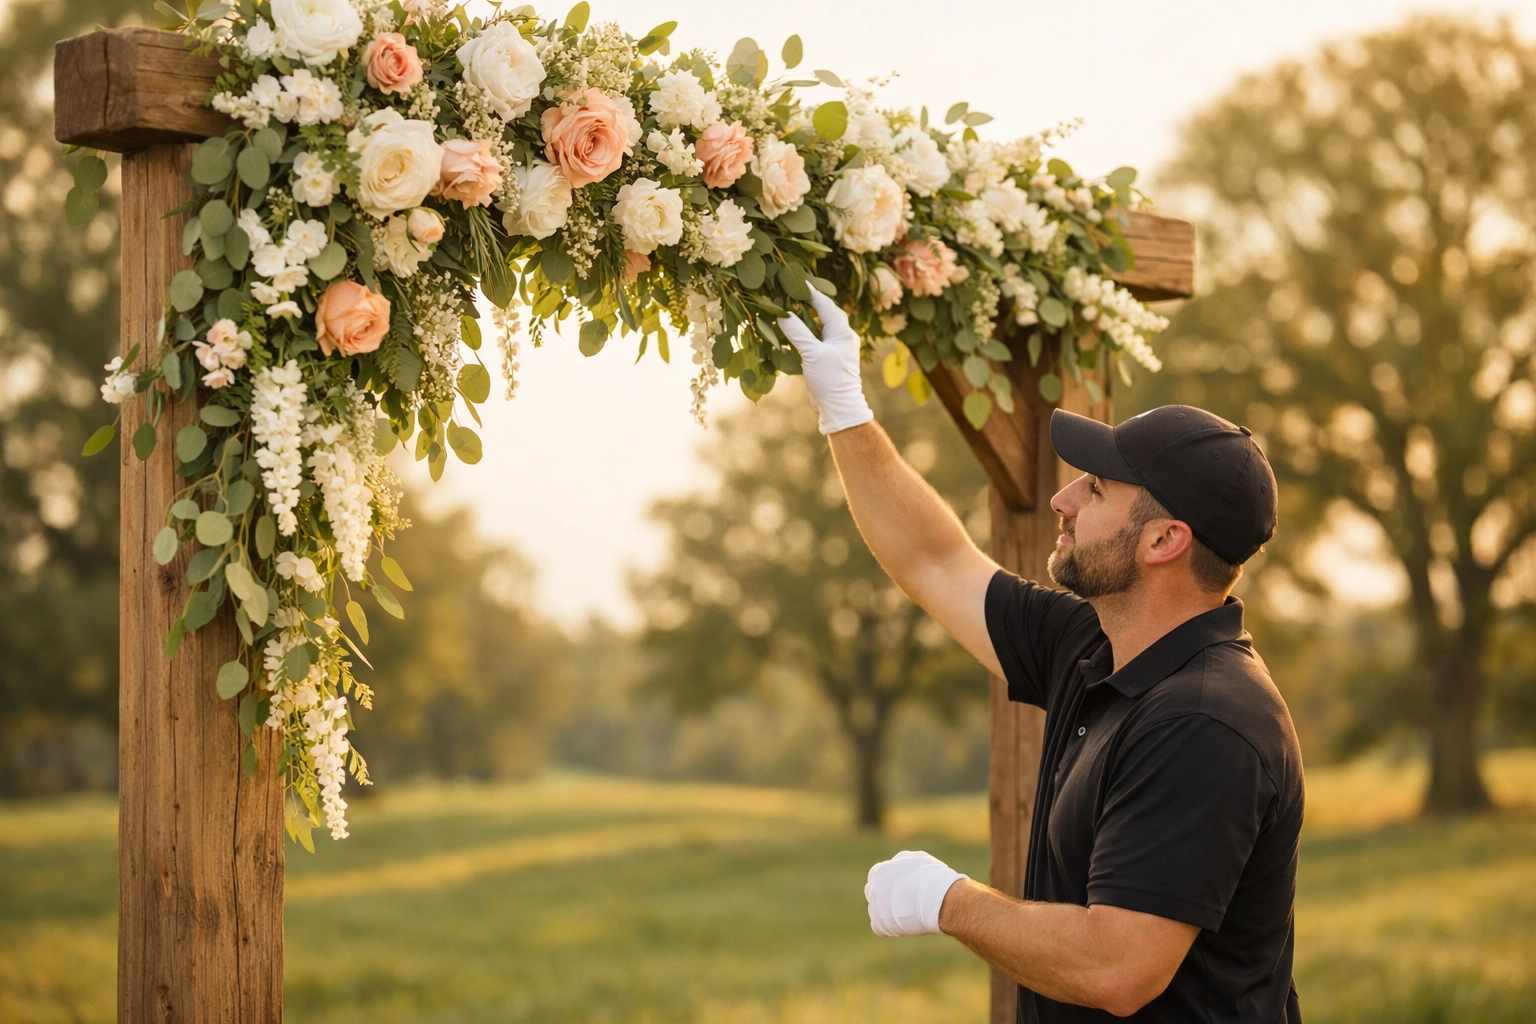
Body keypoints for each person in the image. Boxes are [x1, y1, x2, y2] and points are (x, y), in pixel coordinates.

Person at [777, 291, 1304, 1023]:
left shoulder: (1208, 721)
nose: (1061, 499)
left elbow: (1116, 964)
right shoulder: (1095, 645)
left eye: (1094, 488)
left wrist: (949, 901)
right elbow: (934, 561)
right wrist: (844, 407)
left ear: (1163, 542)